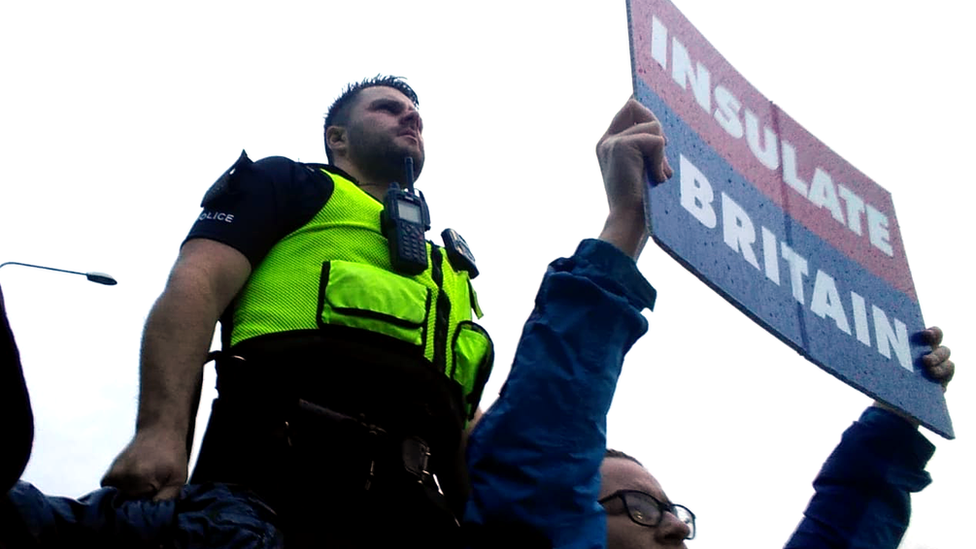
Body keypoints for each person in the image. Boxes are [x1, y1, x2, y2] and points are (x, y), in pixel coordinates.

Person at [461, 97, 954, 549]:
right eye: (640, 508)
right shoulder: (535, 503)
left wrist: (898, 412)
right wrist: (626, 223)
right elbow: (545, 446)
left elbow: (842, 532)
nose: (675, 525)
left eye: (666, 508)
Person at [100, 75, 493, 547]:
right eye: (388, 108)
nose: (410, 117)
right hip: (270, 489)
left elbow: (461, 414)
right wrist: (160, 432)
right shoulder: (290, 183)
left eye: (416, 116)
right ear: (337, 138)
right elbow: (196, 287)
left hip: (414, 518)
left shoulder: (447, 265)